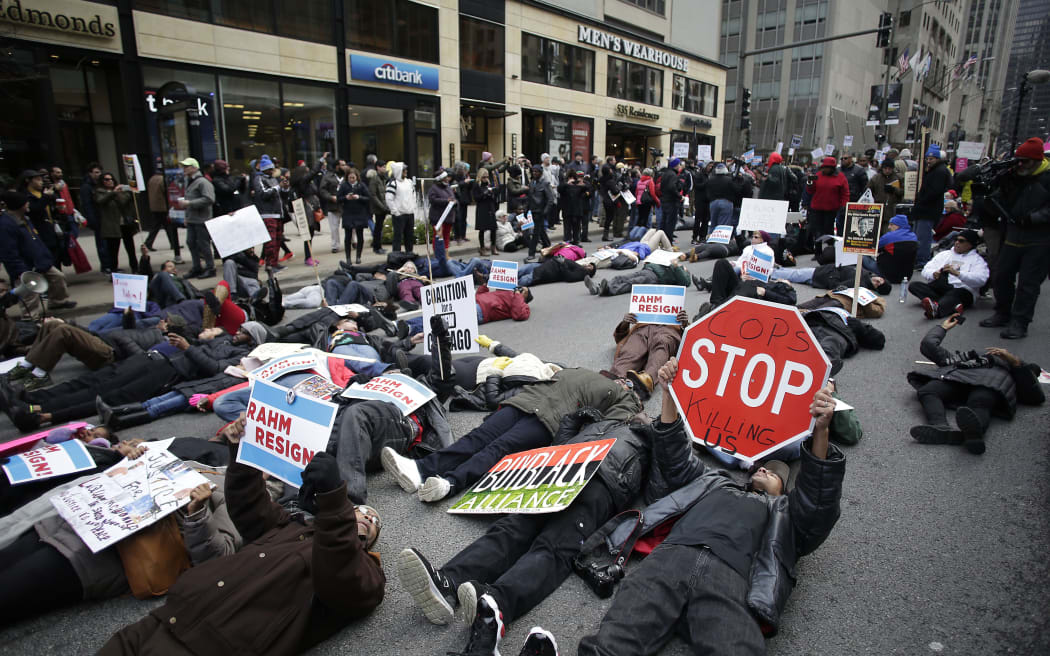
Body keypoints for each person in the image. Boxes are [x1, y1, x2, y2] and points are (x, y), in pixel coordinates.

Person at [558, 357, 842, 656]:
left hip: (731, 579)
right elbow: (674, 457)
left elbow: (816, 503)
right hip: (671, 558)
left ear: (783, 490)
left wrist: (821, 430)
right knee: (612, 644)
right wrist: (670, 392)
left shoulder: (784, 514)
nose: (765, 471)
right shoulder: (714, 481)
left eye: (774, 474)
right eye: (762, 467)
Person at [96, 422, 384, 656]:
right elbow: (249, 507)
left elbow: (341, 571)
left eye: (371, 524)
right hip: (166, 618)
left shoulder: (368, 574)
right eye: (363, 512)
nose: (367, 518)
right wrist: (243, 451)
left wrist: (335, 502)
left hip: (213, 646)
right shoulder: (291, 528)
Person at [396, 410, 654, 654]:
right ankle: (448, 582)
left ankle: (497, 603)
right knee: (512, 527)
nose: (642, 415)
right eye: (639, 413)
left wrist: (662, 434)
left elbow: (661, 487)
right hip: (562, 470)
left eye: (648, 416)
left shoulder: (651, 444)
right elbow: (558, 445)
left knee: (554, 545)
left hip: (602, 485)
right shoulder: (605, 423)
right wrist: (572, 421)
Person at [381, 366, 642, 503]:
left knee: (498, 449)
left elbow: (609, 423)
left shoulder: (627, 400)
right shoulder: (585, 371)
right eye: (626, 378)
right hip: (527, 400)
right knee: (478, 437)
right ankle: (421, 469)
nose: (625, 381)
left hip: (550, 419)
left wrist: (580, 423)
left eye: (633, 383)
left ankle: (449, 484)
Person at [908, 313, 1044, 454]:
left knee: (980, 400)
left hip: (987, 383)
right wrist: (942, 328)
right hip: (959, 378)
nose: (995, 351)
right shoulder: (964, 358)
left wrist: (1015, 362)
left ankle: (973, 435)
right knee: (928, 390)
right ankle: (940, 427)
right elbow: (928, 346)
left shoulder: (1011, 370)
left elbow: (1036, 396)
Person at [976, 137, 1050, 339]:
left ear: (1036, 160)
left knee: (1028, 283)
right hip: (1012, 235)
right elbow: (999, 202)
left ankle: (1020, 322)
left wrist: (1033, 218)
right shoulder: (1013, 176)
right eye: (1019, 160)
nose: (1020, 165)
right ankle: (1002, 312)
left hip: (1039, 240)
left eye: (1025, 161)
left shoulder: (1047, 177)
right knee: (1001, 275)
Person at [0, 190, 76, 310]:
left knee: (58, 277)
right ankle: (31, 321)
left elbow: (35, 240)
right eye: (26, 203)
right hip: (25, 267)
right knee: (30, 296)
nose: (28, 204)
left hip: (40, 261)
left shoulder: (25, 218)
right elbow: (9, 253)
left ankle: (57, 302)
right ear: (18, 205)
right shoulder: (6, 225)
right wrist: (20, 271)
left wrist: (46, 257)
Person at [908, 229, 988, 318]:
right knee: (914, 286)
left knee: (956, 294)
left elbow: (981, 279)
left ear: (970, 244)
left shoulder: (977, 260)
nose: (957, 243)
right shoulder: (945, 254)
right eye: (956, 240)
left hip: (962, 290)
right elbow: (926, 270)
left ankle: (937, 310)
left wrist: (958, 274)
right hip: (942, 287)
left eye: (961, 241)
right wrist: (934, 274)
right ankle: (950, 305)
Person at [912, 145, 953, 269]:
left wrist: (921, 199)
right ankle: (919, 259)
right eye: (928, 158)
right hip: (925, 208)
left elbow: (934, 191)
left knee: (923, 238)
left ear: (937, 159)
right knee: (920, 236)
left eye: (932, 158)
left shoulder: (939, 171)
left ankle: (921, 261)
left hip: (927, 209)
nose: (929, 161)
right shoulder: (935, 170)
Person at [177, 157, 216, 279]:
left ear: (194, 168)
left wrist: (189, 203)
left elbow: (209, 199)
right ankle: (197, 267)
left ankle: (210, 268)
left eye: (187, 166)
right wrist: (187, 216)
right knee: (191, 243)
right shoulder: (190, 181)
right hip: (193, 219)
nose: (184, 169)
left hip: (201, 219)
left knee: (203, 244)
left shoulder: (202, 182)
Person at [583, 254, 689, 297]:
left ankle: (608, 290)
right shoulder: (669, 263)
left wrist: (677, 267)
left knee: (631, 283)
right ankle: (597, 288)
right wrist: (650, 261)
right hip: (647, 269)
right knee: (620, 278)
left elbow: (685, 282)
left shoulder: (679, 270)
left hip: (654, 277)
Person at [94, 172, 137, 275]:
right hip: (112, 226)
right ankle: (113, 271)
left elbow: (124, 201)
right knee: (113, 251)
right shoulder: (100, 192)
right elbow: (101, 201)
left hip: (124, 224)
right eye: (106, 179)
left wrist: (120, 192)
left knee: (130, 248)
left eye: (111, 179)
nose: (110, 181)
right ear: (102, 181)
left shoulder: (120, 191)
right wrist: (113, 193)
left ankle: (135, 268)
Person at [806, 156, 849, 249]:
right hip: (817, 208)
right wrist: (809, 182)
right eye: (824, 167)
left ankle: (830, 250)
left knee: (828, 230)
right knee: (817, 230)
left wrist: (844, 205)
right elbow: (810, 191)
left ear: (832, 168)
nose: (825, 169)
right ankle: (818, 251)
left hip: (831, 209)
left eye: (828, 167)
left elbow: (845, 193)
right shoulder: (817, 175)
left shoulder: (840, 177)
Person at [251, 155, 284, 271]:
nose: (272, 171)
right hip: (267, 214)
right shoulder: (258, 179)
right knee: (271, 241)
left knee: (278, 240)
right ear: (264, 169)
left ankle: (274, 263)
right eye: (270, 169)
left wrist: (284, 188)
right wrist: (278, 188)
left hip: (278, 214)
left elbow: (279, 194)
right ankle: (269, 264)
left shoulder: (273, 179)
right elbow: (263, 194)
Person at [144, 165, 181, 261]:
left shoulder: (152, 179)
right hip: (162, 206)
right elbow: (167, 192)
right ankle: (172, 243)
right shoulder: (163, 180)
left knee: (158, 226)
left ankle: (149, 243)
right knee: (167, 225)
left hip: (154, 206)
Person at [337, 167, 371, 265]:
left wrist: (359, 197)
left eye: (353, 177)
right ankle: (348, 258)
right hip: (348, 213)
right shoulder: (344, 186)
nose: (352, 179)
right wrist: (346, 198)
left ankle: (358, 256)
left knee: (360, 235)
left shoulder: (361, 185)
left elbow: (368, 197)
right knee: (348, 236)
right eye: (350, 178)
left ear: (357, 177)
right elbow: (338, 198)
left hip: (359, 212)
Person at [875, 214, 918, 283]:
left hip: (887, 274)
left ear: (898, 225)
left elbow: (874, 248)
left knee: (864, 257)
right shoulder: (914, 237)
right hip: (907, 276)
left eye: (891, 225)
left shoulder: (888, 237)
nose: (889, 227)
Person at [79, 162, 107, 265]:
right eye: (96, 172)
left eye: (99, 172)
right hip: (96, 218)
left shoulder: (100, 184)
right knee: (102, 244)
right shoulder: (86, 187)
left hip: (104, 218)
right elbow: (87, 205)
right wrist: (92, 220)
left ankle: (109, 264)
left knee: (107, 243)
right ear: (90, 173)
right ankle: (105, 265)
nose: (98, 174)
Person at [525, 165, 555, 262]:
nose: (534, 173)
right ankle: (548, 246)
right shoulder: (531, 184)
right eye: (533, 171)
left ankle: (531, 253)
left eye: (536, 172)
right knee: (541, 230)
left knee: (536, 233)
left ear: (540, 173)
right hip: (533, 211)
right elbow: (529, 198)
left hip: (540, 212)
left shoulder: (545, 184)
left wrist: (545, 211)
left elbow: (550, 199)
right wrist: (526, 210)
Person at [385, 162, 416, 253]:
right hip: (399, 215)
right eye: (404, 170)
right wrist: (395, 212)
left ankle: (409, 255)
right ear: (399, 171)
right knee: (398, 237)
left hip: (410, 213)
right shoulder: (393, 183)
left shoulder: (409, 182)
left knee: (409, 237)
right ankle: (396, 256)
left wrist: (413, 207)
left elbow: (413, 195)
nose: (406, 172)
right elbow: (389, 198)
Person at [318, 154, 344, 255]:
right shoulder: (328, 176)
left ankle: (353, 241)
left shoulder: (347, 175)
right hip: (333, 205)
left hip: (345, 204)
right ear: (337, 166)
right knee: (334, 227)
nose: (344, 167)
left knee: (351, 225)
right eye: (342, 165)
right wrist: (330, 197)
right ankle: (335, 245)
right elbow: (322, 190)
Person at [866, 158, 903, 225]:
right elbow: (868, 191)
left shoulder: (898, 178)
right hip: (877, 209)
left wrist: (894, 189)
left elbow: (903, 192)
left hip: (891, 209)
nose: (887, 171)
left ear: (892, 169)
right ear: (882, 168)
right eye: (885, 168)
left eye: (889, 169)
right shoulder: (876, 178)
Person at [559, 171, 592, 245]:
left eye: (573, 178)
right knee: (567, 228)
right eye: (570, 178)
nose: (572, 180)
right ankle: (567, 242)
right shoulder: (565, 186)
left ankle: (576, 242)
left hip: (577, 210)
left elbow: (588, 190)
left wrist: (580, 184)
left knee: (576, 228)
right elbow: (559, 189)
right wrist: (567, 183)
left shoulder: (579, 186)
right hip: (567, 210)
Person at [428, 169, 457, 249]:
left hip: (448, 217)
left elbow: (453, 198)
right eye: (445, 178)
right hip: (438, 217)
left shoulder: (448, 187)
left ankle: (446, 255)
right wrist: (446, 201)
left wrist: (454, 202)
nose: (447, 179)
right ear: (440, 179)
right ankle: (438, 255)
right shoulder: (433, 188)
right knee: (438, 237)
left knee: (446, 237)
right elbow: (432, 200)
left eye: (447, 177)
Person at [473, 167, 498, 255]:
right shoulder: (476, 185)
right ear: (480, 177)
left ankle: (493, 247)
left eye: (487, 177)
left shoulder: (488, 184)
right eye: (484, 177)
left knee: (493, 228)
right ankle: (482, 248)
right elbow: (476, 198)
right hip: (482, 208)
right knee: (482, 229)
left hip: (490, 207)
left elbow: (493, 195)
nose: (486, 179)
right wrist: (484, 193)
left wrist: (492, 193)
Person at [367, 160, 389, 255]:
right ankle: (377, 247)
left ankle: (378, 246)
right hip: (378, 208)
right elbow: (373, 195)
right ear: (378, 167)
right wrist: (382, 206)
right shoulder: (374, 179)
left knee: (379, 227)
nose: (384, 168)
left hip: (383, 206)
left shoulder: (383, 178)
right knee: (378, 228)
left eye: (385, 166)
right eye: (383, 167)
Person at [659, 158, 684, 241]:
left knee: (664, 221)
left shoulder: (665, 174)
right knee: (670, 222)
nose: (680, 166)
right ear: (676, 166)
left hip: (665, 200)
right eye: (679, 164)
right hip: (672, 201)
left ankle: (662, 240)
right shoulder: (673, 175)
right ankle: (668, 242)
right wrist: (680, 196)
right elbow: (672, 187)